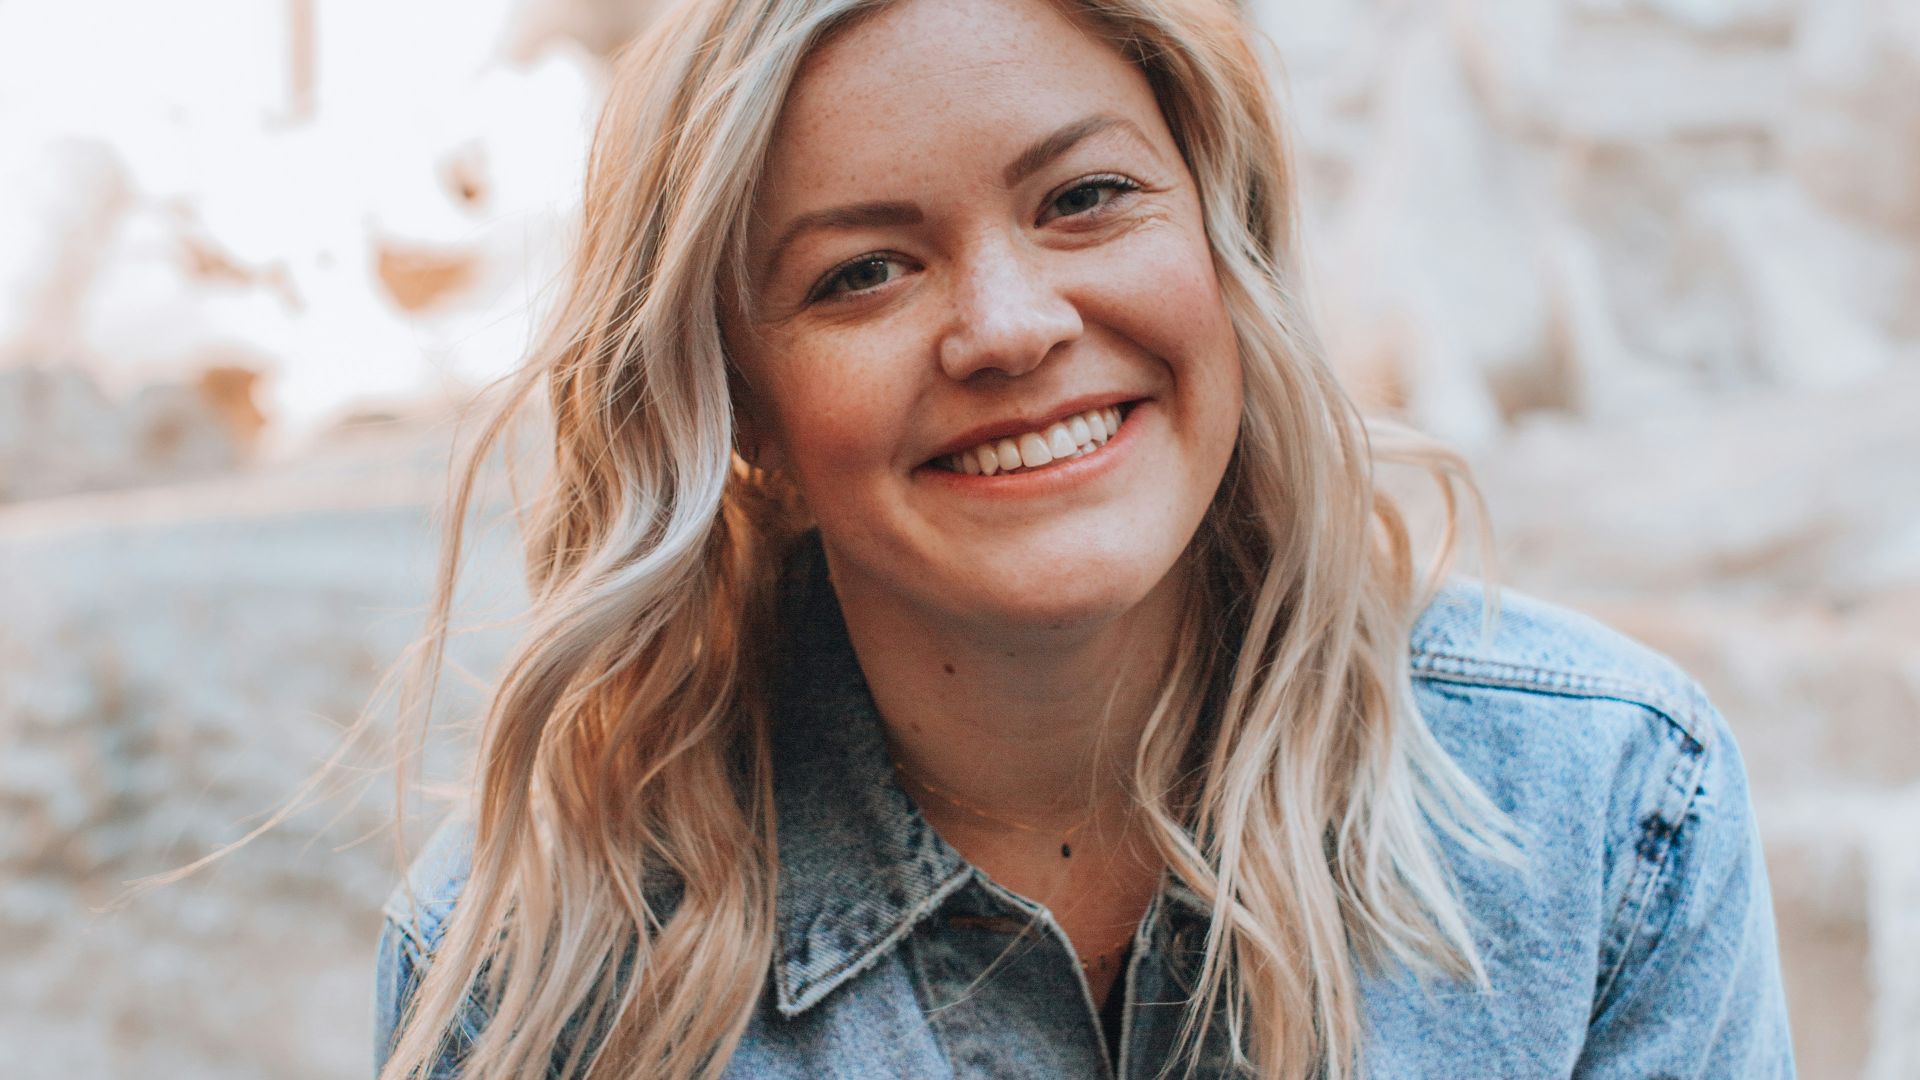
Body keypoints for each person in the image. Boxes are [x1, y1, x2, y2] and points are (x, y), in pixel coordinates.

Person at [371, 0, 1796, 1074]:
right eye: (861, 273)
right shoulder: (537, 971)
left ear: (1224, 253)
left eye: (1086, 198)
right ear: (745, 419)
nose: (1008, 325)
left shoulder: (1609, 805)